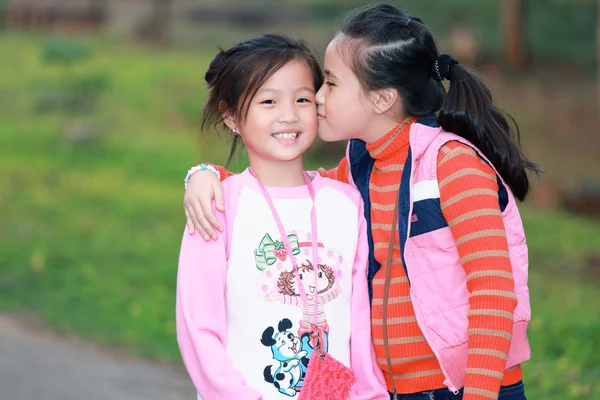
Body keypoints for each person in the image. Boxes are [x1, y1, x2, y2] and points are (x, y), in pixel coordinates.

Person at [182, 4, 537, 400]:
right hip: (396, 391)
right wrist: (205, 176)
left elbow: (494, 290)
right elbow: (284, 190)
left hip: (465, 388)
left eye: (330, 84)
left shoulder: (452, 165)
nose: (317, 98)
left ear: (381, 98)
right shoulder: (361, 165)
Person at [176, 33, 388, 400]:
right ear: (231, 117)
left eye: (302, 99)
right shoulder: (218, 204)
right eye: (269, 101)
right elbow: (198, 327)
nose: (289, 115)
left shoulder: (347, 203)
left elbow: (359, 324)